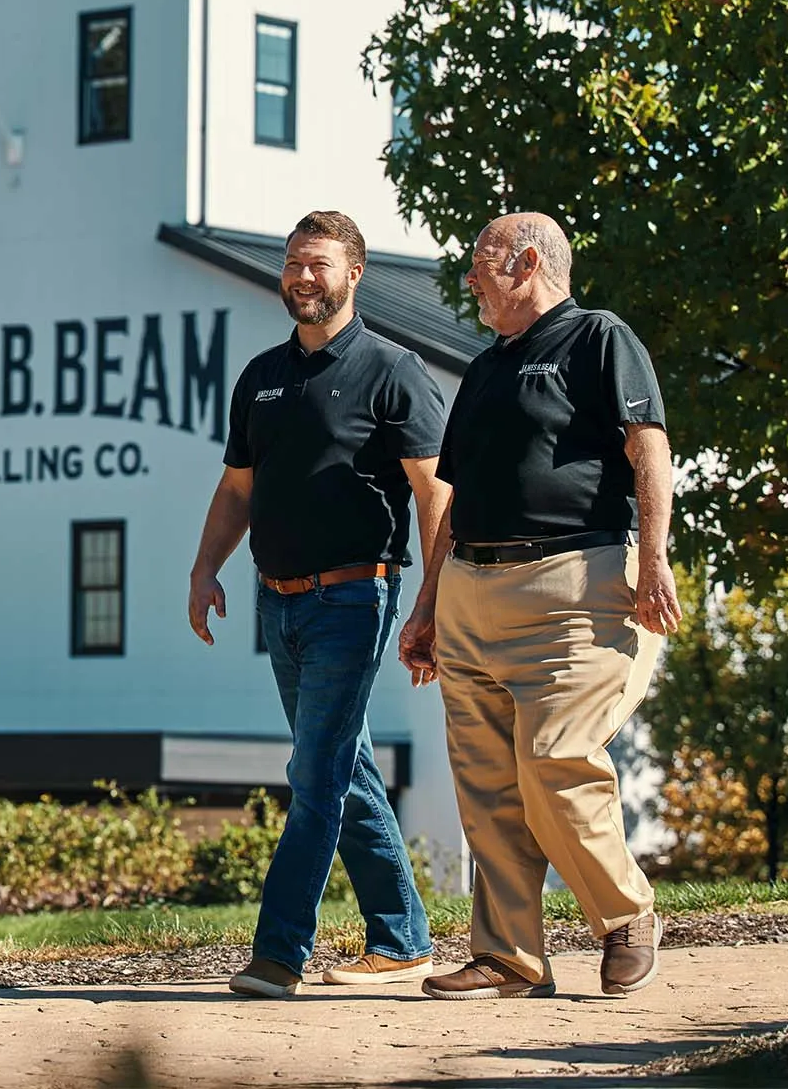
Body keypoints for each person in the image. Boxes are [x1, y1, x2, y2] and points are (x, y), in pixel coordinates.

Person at [399, 212, 683, 1001]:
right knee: (486, 784)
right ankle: (508, 956)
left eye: (481, 262)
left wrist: (653, 557)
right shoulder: (486, 367)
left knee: (554, 757)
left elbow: (647, 447)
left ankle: (626, 918)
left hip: (577, 587)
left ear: (527, 262)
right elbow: (457, 497)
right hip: (471, 590)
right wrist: (427, 604)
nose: (469, 278)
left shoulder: (598, 338)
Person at [188, 209, 451, 998]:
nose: (304, 276)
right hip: (280, 605)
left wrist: (432, 603)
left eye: (320, 264)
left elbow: (435, 495)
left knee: (314, 772)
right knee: (346, 768)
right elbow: (238, 490)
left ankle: (278, 952)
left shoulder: (393, 371)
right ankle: (403, 939)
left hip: (355, 597)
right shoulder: (262, 376)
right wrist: (205, 569)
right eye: (295, 263)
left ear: (354, 274)